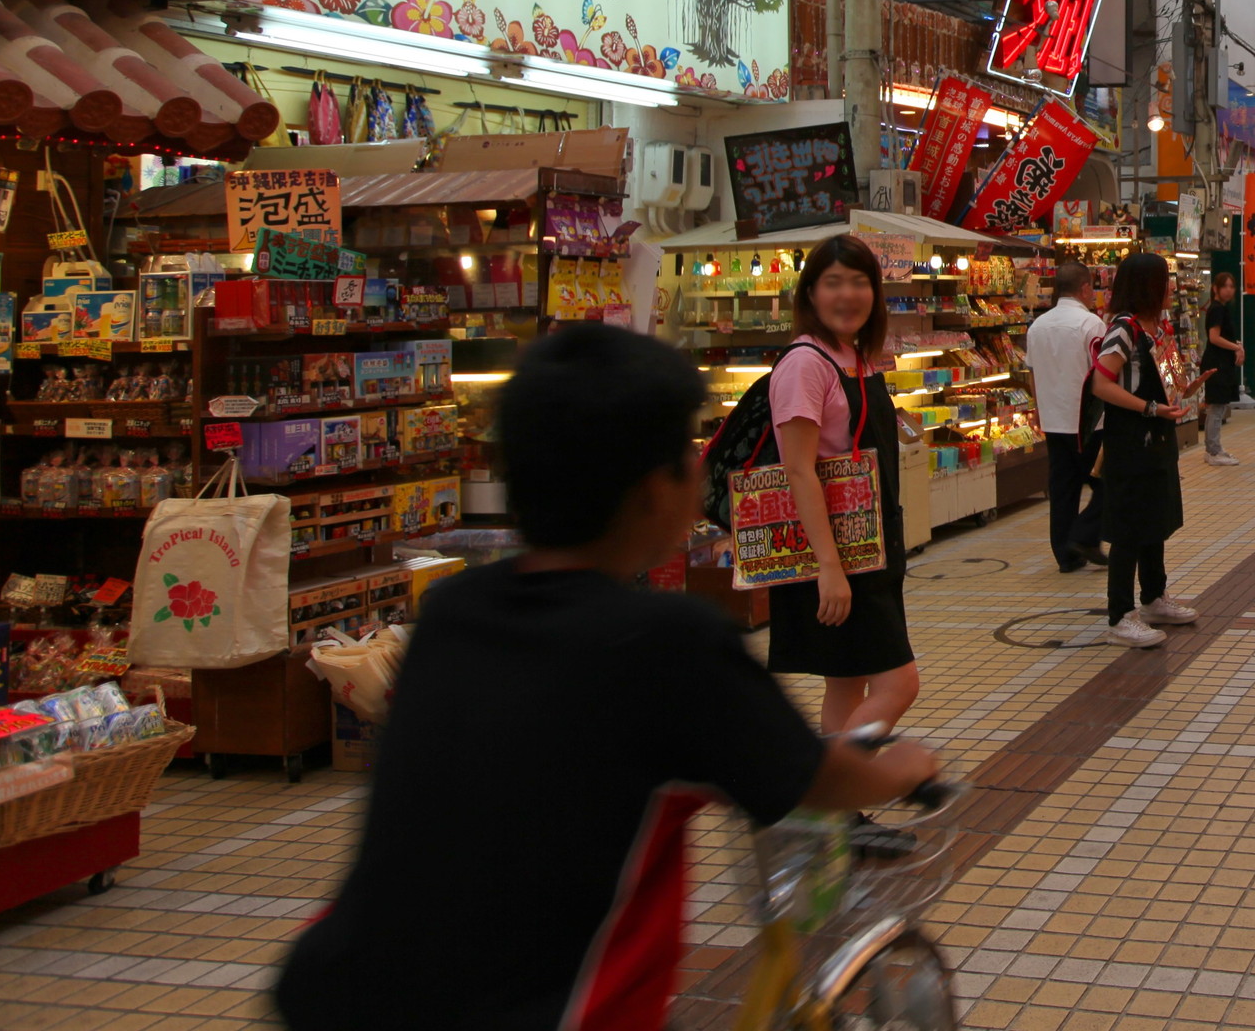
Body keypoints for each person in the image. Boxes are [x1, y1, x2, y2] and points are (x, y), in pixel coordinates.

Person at [275, 325, 937, 1031]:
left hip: (339, 993)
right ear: (657, 490)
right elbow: (811, 781)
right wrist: (900, 768)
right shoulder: (668, 644)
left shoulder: (451, 614)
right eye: (690, 450)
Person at [754, 235, 918, 737]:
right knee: (898, 685)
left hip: (871, 546)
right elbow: (798, 469)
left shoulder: (855, 357)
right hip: (839, 557)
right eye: (833, 283)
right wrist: (829, 569)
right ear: (809, 295)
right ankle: (823, 791)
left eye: (859, 282)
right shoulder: (805, 364)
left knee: (847, 684)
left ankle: (841, 813)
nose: (847, 295)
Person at [1086, 251, 1194, 647]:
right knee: (1129, 526)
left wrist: (1184, 391)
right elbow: (1102, 384)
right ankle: (1120, 615)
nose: (1171, 289)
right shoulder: (1124, 328)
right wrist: (1149, 407)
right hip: (1131, 439)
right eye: (1164, 281)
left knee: (1156, 519)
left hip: (1158, 437)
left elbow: (1167, 379)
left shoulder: (1157, 326)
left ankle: (1153, 597)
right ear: (1147, 286)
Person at [1030, 263, 1109, 573]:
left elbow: (1033, 374)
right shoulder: (1091, 325)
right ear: (1085, 288)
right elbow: (1102, 374)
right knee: (1106, 480)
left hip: (1053, 418)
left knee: (1063, 488)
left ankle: (1065, 554)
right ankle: (1085, 535)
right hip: (1088, 420)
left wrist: (1039, 410)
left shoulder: (1037, 326)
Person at [1200, 270, 1244, 467]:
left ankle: (1215, 447)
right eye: (1225, 286)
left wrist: (1236, 345)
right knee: (1216, 407)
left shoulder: (1221, 308)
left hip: (1221, 362)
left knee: (1218, 406)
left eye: (1232, 286)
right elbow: (1214, 337)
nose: (1229, 290)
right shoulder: (1217, 309)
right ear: (1215, 288)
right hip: (1216, 363)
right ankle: (1213, 450)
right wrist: (1237, 347)